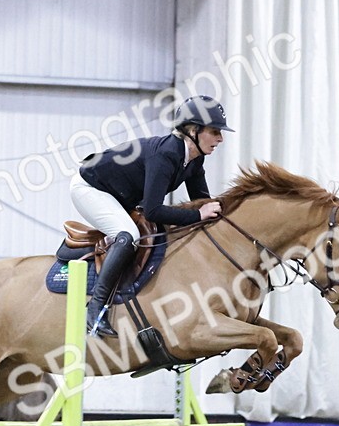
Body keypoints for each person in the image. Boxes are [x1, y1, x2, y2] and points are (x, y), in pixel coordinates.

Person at [72, 94, 233, 336]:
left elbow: (203, 204)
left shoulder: (194, 160)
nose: (220, 138)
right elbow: (153, 210)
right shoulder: (166, 154)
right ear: (193, 130)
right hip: (90, 188)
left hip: (117, 194)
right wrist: (198, 215)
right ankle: (95, 308)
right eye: (215, 131)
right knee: (128, 235)